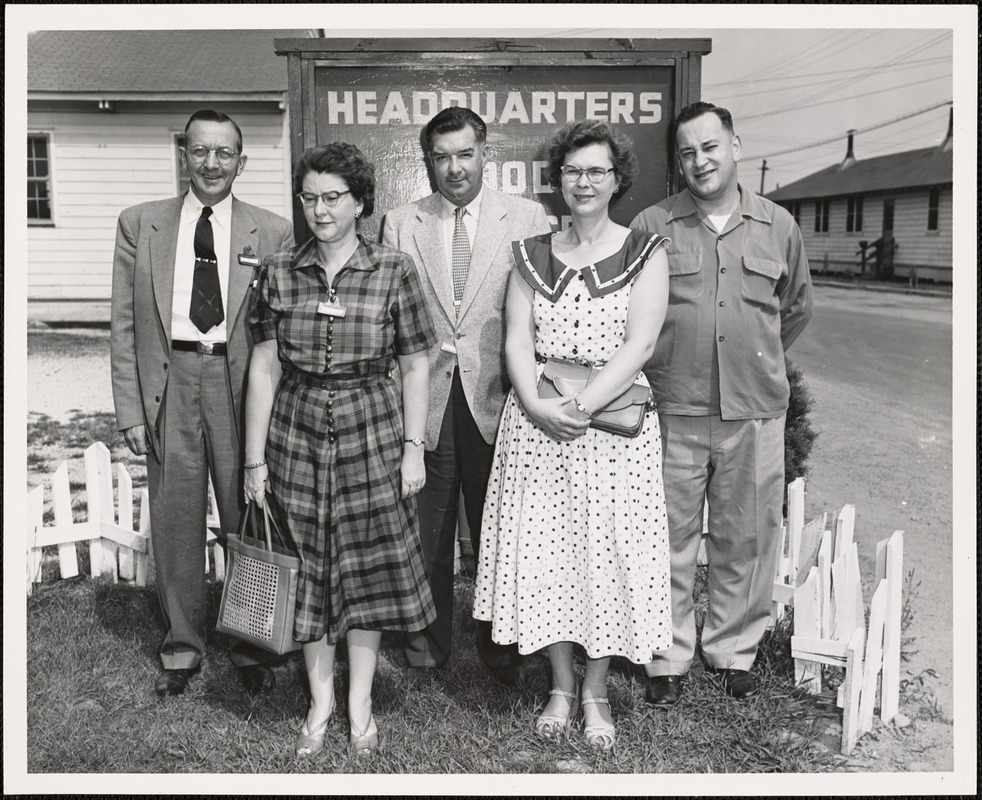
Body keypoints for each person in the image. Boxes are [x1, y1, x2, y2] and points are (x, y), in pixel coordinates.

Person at [473, 119, 672, 749]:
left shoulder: (645, 251)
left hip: (611, 431)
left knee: (606, 557)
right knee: (548, 555)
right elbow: (515, 339)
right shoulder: (531, 253)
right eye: (572, 171)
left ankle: (597, 692)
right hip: (537, 430)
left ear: (617, 181)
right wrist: (535, 404)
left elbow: (639, 343)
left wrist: (579, 405)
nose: (583, 183)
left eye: (597, 171)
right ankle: (560, 685)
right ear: (557, 180)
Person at [244, 143, 437, 757]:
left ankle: (361, 703)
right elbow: (264, 369)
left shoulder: (394, 270)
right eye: (309, 197)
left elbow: (414, 364)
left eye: (333, 197)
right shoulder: (277, 271)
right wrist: (254, 461)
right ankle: (319, 701)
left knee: (364, 572)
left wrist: (413, 449)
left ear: (359, 202)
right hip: (295, 433)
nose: (320, 210)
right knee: (308, 572)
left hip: (371, 429)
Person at [630, 102, 814, 707]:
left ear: (735, 145)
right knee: (667, 538)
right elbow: (631, 316)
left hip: (755, 411)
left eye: (710, 147)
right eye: (687, 152)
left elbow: (793, 309)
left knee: (745, 536)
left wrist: (745, 360)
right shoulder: (653, 226)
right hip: (672, 408)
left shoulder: (779, 225)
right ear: (678, 162)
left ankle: (734, 650)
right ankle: (668, 654)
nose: (700, 161)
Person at [110, 109, 293, 698]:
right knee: (176, 520)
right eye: (200, 151)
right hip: (171, 379)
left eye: (224, 153)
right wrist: (132, 411)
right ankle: (182, 646)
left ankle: (249, 643)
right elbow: (123, 324)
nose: (211, 163)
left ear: (242, 161)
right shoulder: (141, 224)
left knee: (247, 517)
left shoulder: (272, 231)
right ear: (183, 155)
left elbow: (278, 333)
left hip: (240, 386)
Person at [380, 107, 551, 685]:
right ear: (428, 161)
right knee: (426, 530)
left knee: (499, 530)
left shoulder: (528, 218)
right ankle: (427, 649)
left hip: (498, 396)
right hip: (424, 396)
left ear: (485, 153)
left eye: (465, 154)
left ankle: (502, 648)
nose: (454, 168)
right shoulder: (401, 222)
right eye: (442, 156)